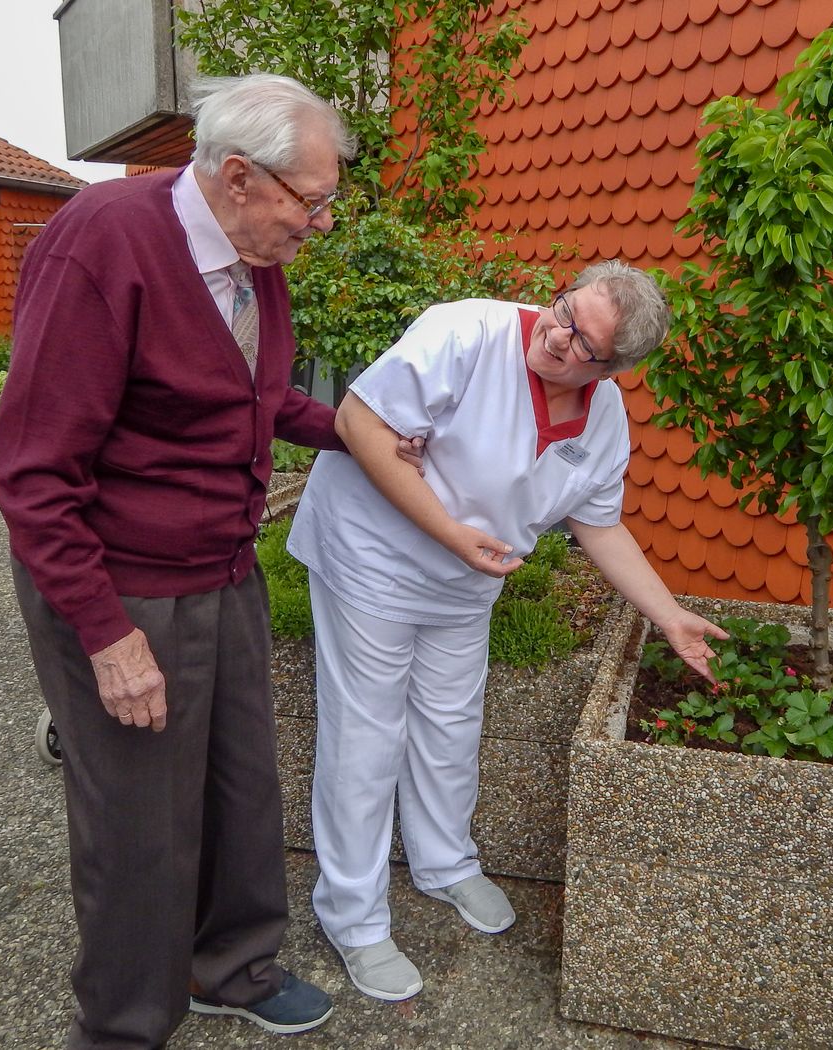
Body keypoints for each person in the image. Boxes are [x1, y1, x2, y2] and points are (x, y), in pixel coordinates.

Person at [0, 74, 359, 1047]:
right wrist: (106, 637)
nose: (319, 223)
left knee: (243, 787)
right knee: (139, 826)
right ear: (239, 177)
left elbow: (257, 397)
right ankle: (122, 1023)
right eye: (310, 200)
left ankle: (230, 967)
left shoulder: (252, 253)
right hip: (120, 583)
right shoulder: (102, 245)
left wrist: (358, 432)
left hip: (223, 566)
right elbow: (33, 473)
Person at [286, 259, 729, 1002]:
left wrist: (669, 614)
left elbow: (599, 523)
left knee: (452, 724)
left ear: (611, 369)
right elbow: (357, 421)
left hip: (465, 582)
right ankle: (354, 915)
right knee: (368, 737)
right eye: (563, 310)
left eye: (583, 344)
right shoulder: (467, 330)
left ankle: (445, 863)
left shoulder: (605, 416)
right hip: (373, 558)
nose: (557, 337)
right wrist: (452, 533)